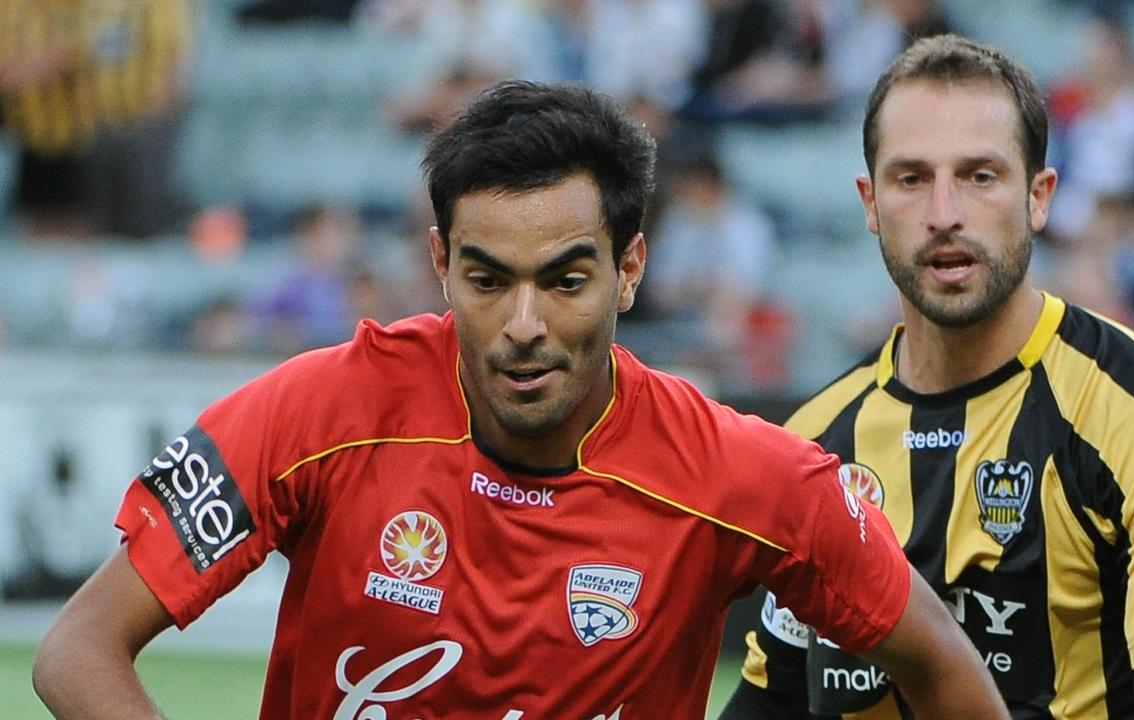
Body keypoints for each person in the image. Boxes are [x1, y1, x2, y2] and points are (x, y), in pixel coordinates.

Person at [32, 80, 1008, 720]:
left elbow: (945, 673)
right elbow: (77, 649)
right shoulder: (315, 415)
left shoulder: (744, 477)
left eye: (566, 279)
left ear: (630, 268)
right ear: (438, 264)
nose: (524, 323)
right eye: (487, 278)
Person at [720, 34, 1134, 720]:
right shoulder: (815, 445)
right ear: (870, 202)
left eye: (980, 176)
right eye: (911, 178)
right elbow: (771, 702)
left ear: (1038, 196)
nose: (945, 214)